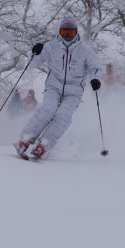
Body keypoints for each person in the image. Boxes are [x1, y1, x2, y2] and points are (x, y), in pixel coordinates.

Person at [15, 17, 102, 159]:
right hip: (53, 86)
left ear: (76, 33)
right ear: (60, 32)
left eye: (70, 33)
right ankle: (25, 139)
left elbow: (96, 66)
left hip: (74, 92)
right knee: (48, 109)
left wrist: (95, 79)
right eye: (64, 33)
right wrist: (35, 52)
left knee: (63, 116)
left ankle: (45, 144)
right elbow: (33, 64)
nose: (67, 36)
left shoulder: (85, 50)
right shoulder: (51, 46)